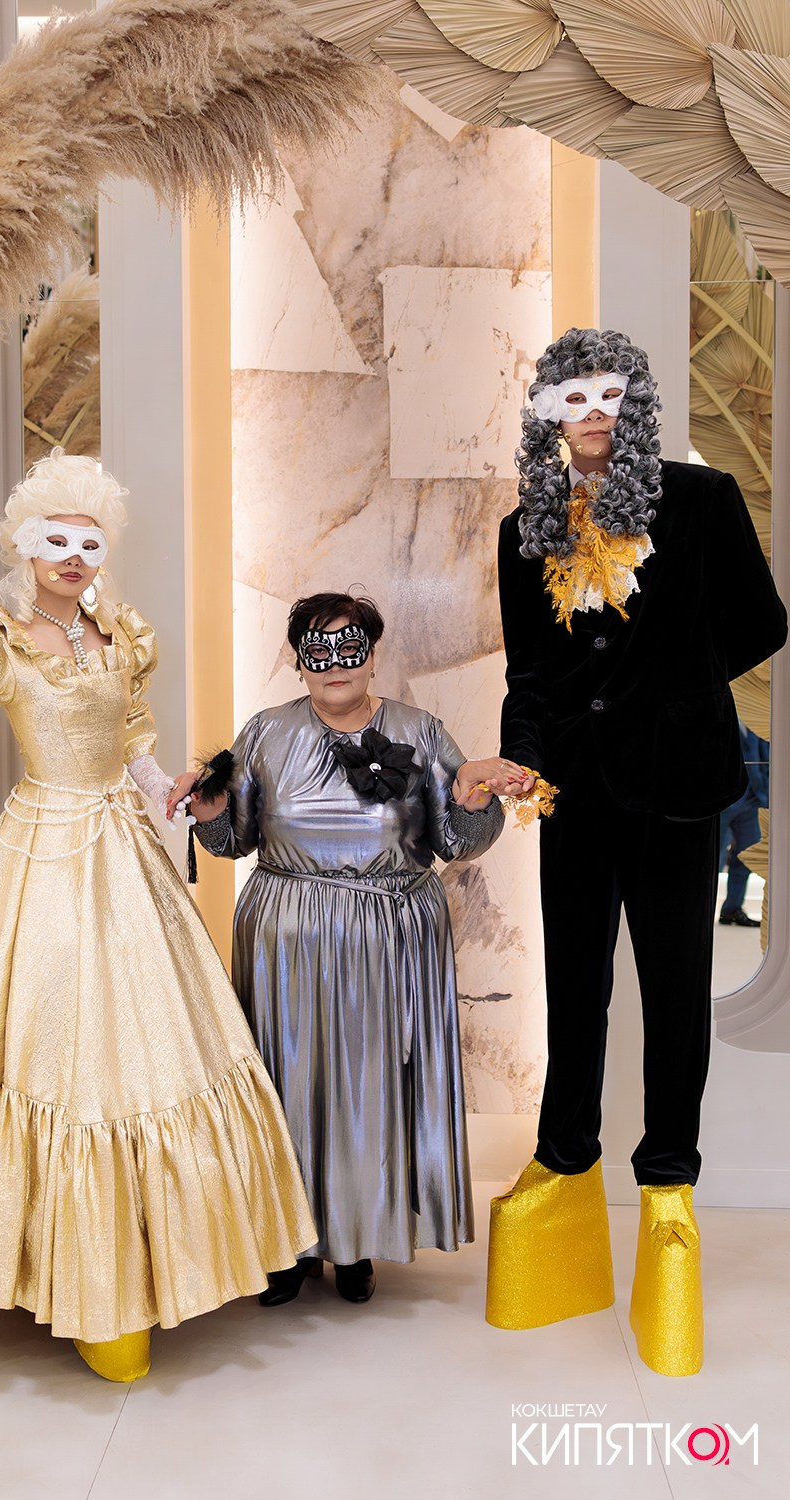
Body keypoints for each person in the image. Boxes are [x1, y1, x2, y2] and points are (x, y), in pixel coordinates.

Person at [0, 449, 315, 1381]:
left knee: (148, 1046)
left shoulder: (123, 633)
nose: (73, 558)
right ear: (25, 547)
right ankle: (57, 1273)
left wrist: (171, 795)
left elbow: (136, 742)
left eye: (89, 543)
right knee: (51, 1042)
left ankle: (144, 1270)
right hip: (41, 850)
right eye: (56, 542)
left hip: (124, 850)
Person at [486, 328, 787, 1376]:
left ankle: (667, 1186)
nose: (594, 414)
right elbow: (530, 673)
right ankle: (564, 1157)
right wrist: (521, 757)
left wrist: (675, 691)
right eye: (572, 398)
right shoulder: (524, 527)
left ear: (637, 402)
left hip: (678, 787)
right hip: (573, 791)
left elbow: (763, 623)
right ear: (548, 415)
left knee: (673, 991)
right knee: (573, 992)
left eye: (610, 394)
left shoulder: (699, 500)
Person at [183, 592, 506, 1305]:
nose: (335, 664)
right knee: (288, 1085)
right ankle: (287, 1247)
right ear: (299, 662)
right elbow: (235, 839)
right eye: (318, 649)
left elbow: (456, 841)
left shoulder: (420, 731)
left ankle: (358, 1241)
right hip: (287, 939)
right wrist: (207, 815)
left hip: (390, 939)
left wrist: (476, 800)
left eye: (350, 645)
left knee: (370, 1089)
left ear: (373, 654)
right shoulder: (266, 732)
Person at [717, 724, 769, 928]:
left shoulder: (758, 719)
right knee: (714, 858)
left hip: (754, 798)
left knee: (746, 856)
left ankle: (732, 909)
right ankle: (701, 910)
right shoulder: (723, 718)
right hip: (723, 802)